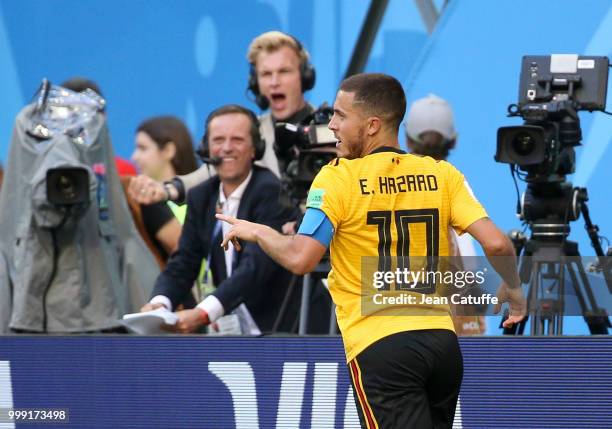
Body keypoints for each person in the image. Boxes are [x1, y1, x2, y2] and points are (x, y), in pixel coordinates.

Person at [216, 73, 527, 428]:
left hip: (381, 347)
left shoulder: (337, 178)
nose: (331, 125)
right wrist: (514, 289)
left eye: (341, 116)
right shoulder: (442, 174)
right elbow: (497, 243)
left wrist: (259, 231)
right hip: (442, 346)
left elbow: (300, 258)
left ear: (372, 125)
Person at [141, 104, 298, 334]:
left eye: (237, 140)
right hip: (234, 333)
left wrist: (204, 312)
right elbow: (183, 262)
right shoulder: (201, 195)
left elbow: (254, 268)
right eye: (218, 140)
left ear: (255, 149)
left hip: (281, 329)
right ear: (206, 148)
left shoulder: (271, 191)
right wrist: (160, 303)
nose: (226, 148)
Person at [128, 30, 316, 205]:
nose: (274, 82)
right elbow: (210, 171)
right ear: (255, 82)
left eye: (284, 71)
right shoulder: (252, 131)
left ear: (305, 76)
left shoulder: (332, 128)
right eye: (266, 74)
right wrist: (168, 189)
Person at [405, 93, 484, 335]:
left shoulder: (388, 184)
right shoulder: (457, 184)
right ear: (454, 141)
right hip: (451, 316)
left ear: (407, 141)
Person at [132, 115, 199, 261]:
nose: (134, 157)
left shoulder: (207, 193)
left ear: (168, 150)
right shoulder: (147, 202)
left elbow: (187, 251)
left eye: (142, 148)